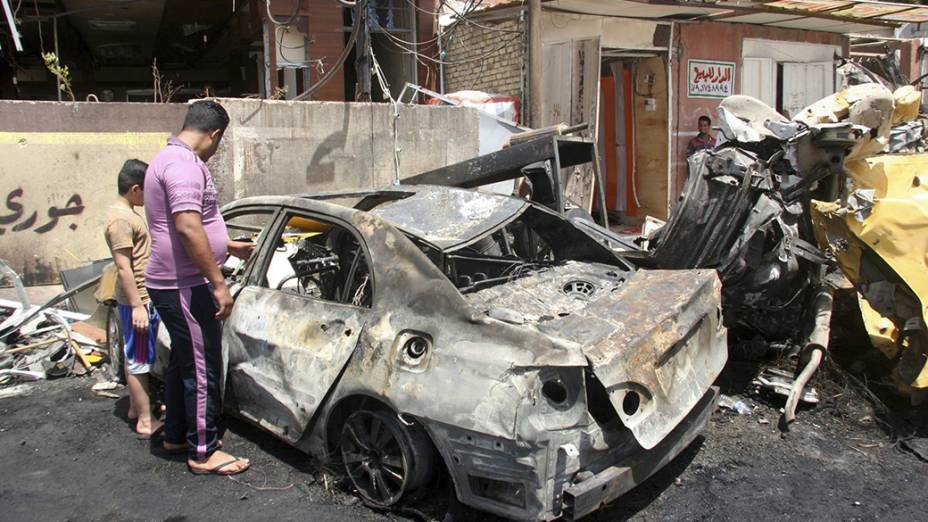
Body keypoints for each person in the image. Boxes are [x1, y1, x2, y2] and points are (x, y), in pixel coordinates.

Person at [144, 100, 254, 476]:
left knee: (183, 361)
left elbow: (194, 225)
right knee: (203, 365)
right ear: (215, 134)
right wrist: (219, 284)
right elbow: (188, 227)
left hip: (175, 281)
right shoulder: (183, 166)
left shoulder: (167, 158)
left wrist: (228, 245)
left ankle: (176, 434)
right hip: (184, 284)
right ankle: (203, 451)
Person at [104, 159, 162, 438]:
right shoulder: (121, 220)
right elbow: (124, 267)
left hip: (139, 297)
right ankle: (146, 421)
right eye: (146, 191)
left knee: (134, 356)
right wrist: (138, 305)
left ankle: (135, 409)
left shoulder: (126, 214)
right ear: (135, 188)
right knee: (139, 359)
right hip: (136, 299)